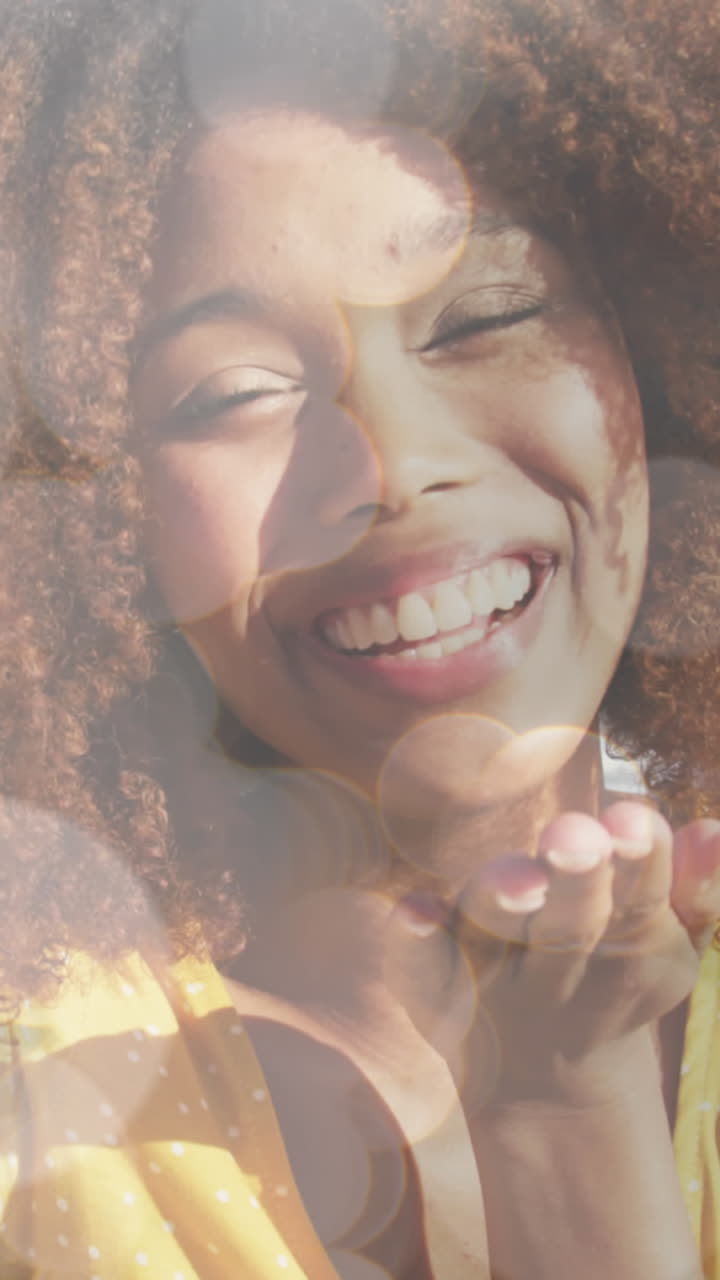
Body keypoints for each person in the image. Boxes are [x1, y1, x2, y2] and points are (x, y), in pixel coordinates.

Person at [1, 0, 720, 1275]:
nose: (391, 464)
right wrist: (561, 1114)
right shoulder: (37, 1129)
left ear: (665, 367)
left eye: (485, 316)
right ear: (93, 522)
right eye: (236, 393)